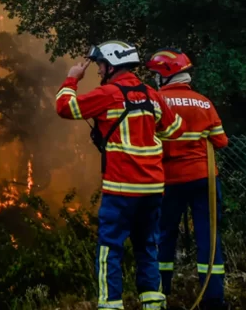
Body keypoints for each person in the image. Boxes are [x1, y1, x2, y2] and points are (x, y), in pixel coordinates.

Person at [57, 41, 184, 310]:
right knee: (147, 246)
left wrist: (72, 78)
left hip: (121, 188)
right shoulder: (152, 95)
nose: (99, 70)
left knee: (110, 247)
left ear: (112, 65)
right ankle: (153, 304)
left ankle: (111, 305)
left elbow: (65, 107)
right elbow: (175, 129)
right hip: (152, 188)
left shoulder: (108, 94)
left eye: (101, 65)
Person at [146, 48, 229, 310]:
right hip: (205, 179)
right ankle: (213, 298)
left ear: (165, 75)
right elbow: (221, 141)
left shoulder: (156, 101)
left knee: (163, 234)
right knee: (208, 236)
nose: (154, 79)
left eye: (156, 75)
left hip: (169, 180)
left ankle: (160, 293)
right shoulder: (204, 102)